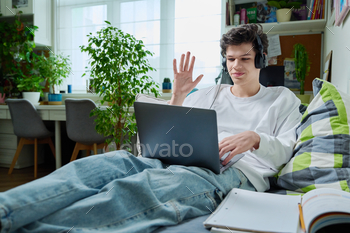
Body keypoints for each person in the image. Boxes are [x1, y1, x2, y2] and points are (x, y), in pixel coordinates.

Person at [0, 24, 302, 233]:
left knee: (133, 190)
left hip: (231, 174)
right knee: (101, 165)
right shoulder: (212, 93)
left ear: (261, 59)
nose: (236, 67)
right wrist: (178, 97)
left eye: (245, 59)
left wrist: (255, 138)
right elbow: (167, 134)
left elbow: (286, 150)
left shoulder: (281, 99)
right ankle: (6, 211)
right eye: (231, 59)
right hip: (177, 157)